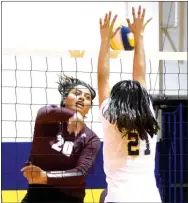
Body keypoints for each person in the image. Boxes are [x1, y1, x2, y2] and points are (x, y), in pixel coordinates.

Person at [97, 6, 161, 203]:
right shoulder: (148, 111)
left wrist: (105, 41)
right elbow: (140, 75)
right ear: (142, 99)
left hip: (119, 198)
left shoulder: (109, 114)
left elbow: (102, 78)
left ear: (115, 100)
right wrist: (139, 35)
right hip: (150, 198)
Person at [21, 75, 101, 203]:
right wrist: (72, 114)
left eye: (87, 98)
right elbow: (45, 112)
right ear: (64, 99)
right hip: (36, 197)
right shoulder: (48, 123)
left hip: (70, 200)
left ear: (89, 108)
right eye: (77, 93)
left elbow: (80, 173)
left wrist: (45, 176)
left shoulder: (92, 138)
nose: (82, 98)